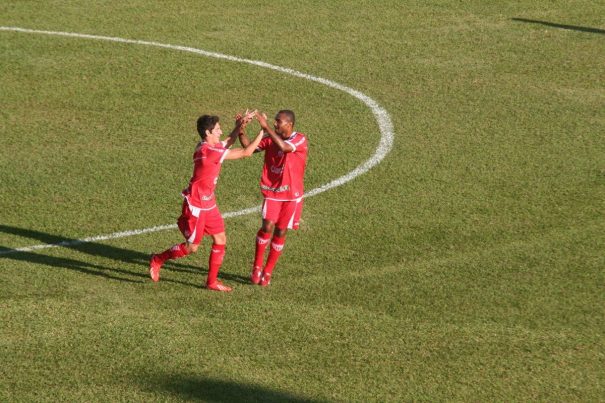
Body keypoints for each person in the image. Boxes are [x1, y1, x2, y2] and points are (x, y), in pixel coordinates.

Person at [149, 111, 263, 292]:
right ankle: (157, 259)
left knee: (220, 238)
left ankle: (211, 282)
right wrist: (264, 131)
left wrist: (240, 126)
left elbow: (226, 142)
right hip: (196, 205)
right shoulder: (210, 152)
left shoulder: (206, 146)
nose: (220, 131)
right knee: (192, 247)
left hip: (208, 202)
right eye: (217, 129)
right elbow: (246, 152)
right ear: (208, 133)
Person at [238, 110, 308, 286]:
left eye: (279, 122)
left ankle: (268, 271)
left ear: (289, 124)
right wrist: (241, 129)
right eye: (275, 121)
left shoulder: (299, 139)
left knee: (281, 231)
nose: (276, 124)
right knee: (267, 226)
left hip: (292, 195)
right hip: (274, 192)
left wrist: (266, 127)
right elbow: (248, 146)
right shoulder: (271, 138)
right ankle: (256, 267)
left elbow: (285, 148)